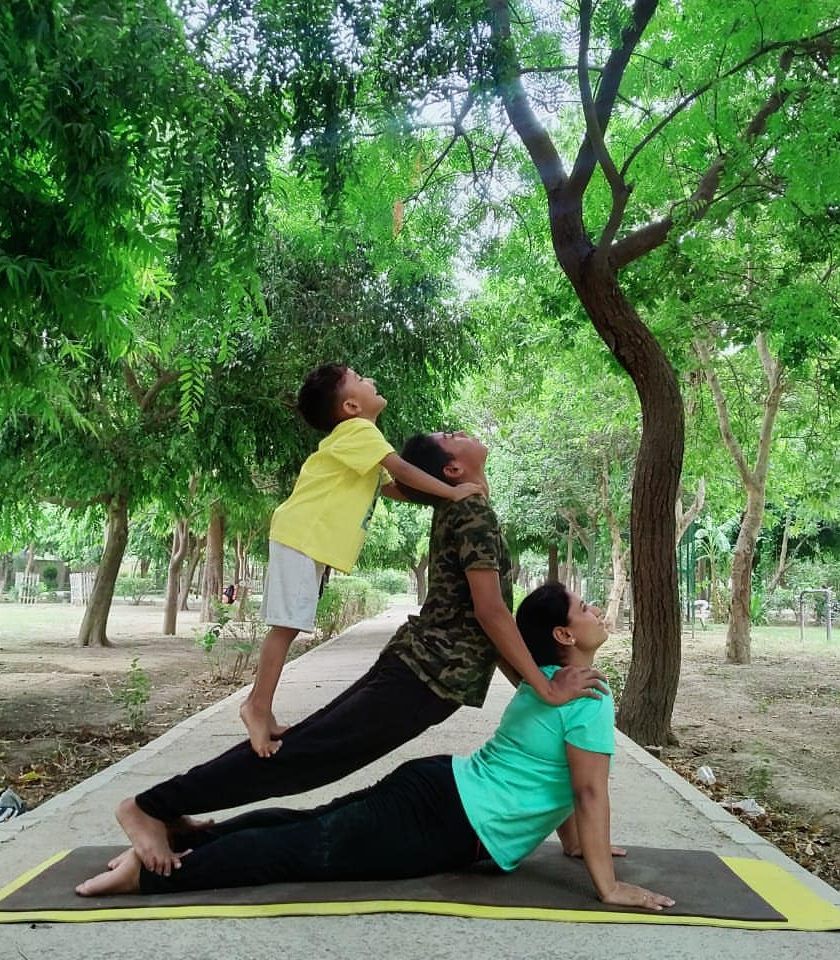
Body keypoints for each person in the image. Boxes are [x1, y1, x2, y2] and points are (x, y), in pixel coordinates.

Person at [115, 428, 608, 877]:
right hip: (424, 675)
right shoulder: (472, 510)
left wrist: (535, 687)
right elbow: (491, 612)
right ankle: (150, 806)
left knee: (310, 754)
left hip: (423, 672)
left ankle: (171, 816)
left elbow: (482, 620)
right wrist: (544, 687)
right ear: (454, 468)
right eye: (451, 435)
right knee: (307, 756)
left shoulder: (461, 504)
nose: (458, 430)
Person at [78, 583, 674, 913]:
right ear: (565, 634)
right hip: (446, 819)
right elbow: (588, 791)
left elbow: (557, 775)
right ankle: (152, 878)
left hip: (441, 789)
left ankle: (180, 839)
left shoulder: (549, 683)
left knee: (307, 827)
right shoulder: (586, 697)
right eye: (586, 609)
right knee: (306, 849)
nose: (597, 611)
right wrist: (608, 887)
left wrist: (574, 845)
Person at [242, 364, 483, 757]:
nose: (370, 380)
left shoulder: (358, 439)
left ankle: (261, 708)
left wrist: (444, 499)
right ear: (352, 406)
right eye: (359, 379)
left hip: (305, 536)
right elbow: (401, 471)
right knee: (285, 627)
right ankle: (256, 706)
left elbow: (392, 488)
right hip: (302, 533)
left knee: (289, 625)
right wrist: (453, 493)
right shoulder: (360, 431)